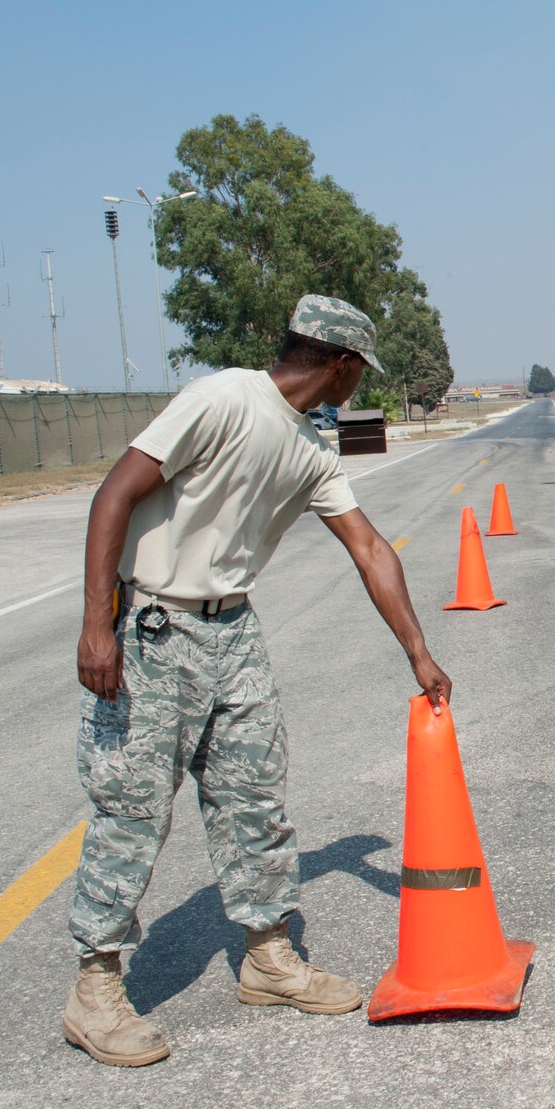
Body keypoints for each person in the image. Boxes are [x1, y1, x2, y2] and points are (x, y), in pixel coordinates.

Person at [64, 293, 453, 1068]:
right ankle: (96, 985)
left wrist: (419, 651)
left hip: (233, 629)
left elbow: (371, 548)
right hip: (154, 627)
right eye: (357, 371)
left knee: (254, 794)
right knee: (134, 806)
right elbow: (116, 492)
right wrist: (96, 623)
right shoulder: (223, 397)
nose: (356, 386)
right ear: (339, 363)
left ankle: (268, 958)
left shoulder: (311, 447)